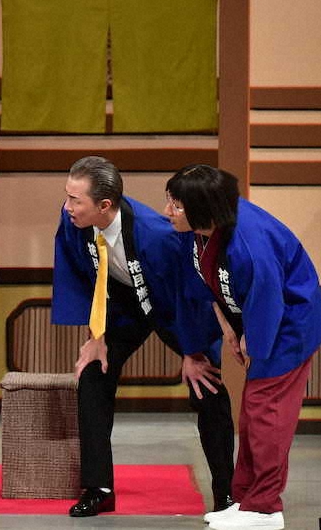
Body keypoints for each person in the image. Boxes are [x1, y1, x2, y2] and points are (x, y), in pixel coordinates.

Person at [53, 156, 234, 518]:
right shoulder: (74, 220)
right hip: (123, 304)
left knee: (206, 386)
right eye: (67, 196)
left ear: (104, 205)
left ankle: (226, 494)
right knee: (93, 375)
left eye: (75, 200)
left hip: (171, 306)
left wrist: (192, 350)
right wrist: (96, 335)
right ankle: (98, 487)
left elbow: (188, 291)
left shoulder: (158, 235)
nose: (67, 206)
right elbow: (78, 274)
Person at [164, 165, 321, 530]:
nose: (167, 211)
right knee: (252, 414)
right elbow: (209, 286)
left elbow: (267, 300)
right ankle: (246, 501)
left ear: (203, 209)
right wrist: (228, 329)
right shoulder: (203, 230)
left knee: (267, 413)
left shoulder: (251, 242)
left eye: (176, 205)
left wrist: (252, 340)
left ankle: (266, 508)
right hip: (254, 321)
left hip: (289, 325)